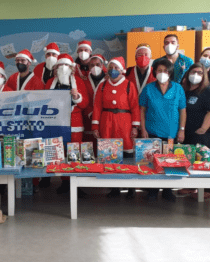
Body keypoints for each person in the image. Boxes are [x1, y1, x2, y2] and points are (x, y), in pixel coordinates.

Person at [92, 57, 140, 197]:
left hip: (124, 122)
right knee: (109, 155)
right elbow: (97, 106)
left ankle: (131, 187)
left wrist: (135, 126)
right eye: (111, 67)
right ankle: (113, 187)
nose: (113, 70)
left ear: (122, 70)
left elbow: (135, 107)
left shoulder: (129, 85)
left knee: (127, 155)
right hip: (106, 122)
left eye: (116, 68)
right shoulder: (102, 85)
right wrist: (95, 125)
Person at [139, 58, 187, 202]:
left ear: (170, 72)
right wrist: (142, 128)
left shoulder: (178, 88)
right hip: (152, 131)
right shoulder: (148, 88)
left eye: (165, 71)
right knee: (152, 162)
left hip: (171, 132)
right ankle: (153, 190)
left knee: (170, 163)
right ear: (154, 72)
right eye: (159, 70)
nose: (162, 73)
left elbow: (183, 110)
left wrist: (182, 130)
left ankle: (167, 190)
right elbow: (142, 110)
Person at [45, 54, 90, 195]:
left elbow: (85, 104)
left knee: (74, 153)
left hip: (74, 123)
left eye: (66, 66)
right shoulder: (50, 82)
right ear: (55, 68)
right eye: (60, 65)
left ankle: (75, 182)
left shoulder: (79, 82)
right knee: (59, 153)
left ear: (72, 68)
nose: (63, 68)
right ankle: (64, 182)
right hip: (56, 123)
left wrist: (77, 97)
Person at [181, 63, 210, 148]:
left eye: (200, 73)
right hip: (184, 132)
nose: (195, 75)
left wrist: (203, 129)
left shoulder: (207, 91)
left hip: (199, 134)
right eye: (193, 72)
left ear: (204, 75)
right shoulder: (183, 90)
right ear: (188, 73)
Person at [81, 54, 107, 145]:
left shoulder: (109, 80)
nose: (95, 67)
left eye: (98, 64)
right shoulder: (84, 81)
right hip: (88, 119)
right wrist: (91, 114)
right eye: (92, 65)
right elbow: (83, 99)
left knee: (105, 145)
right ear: (88, 67)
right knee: (90, 147)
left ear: (102, 65)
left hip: (106, 118)